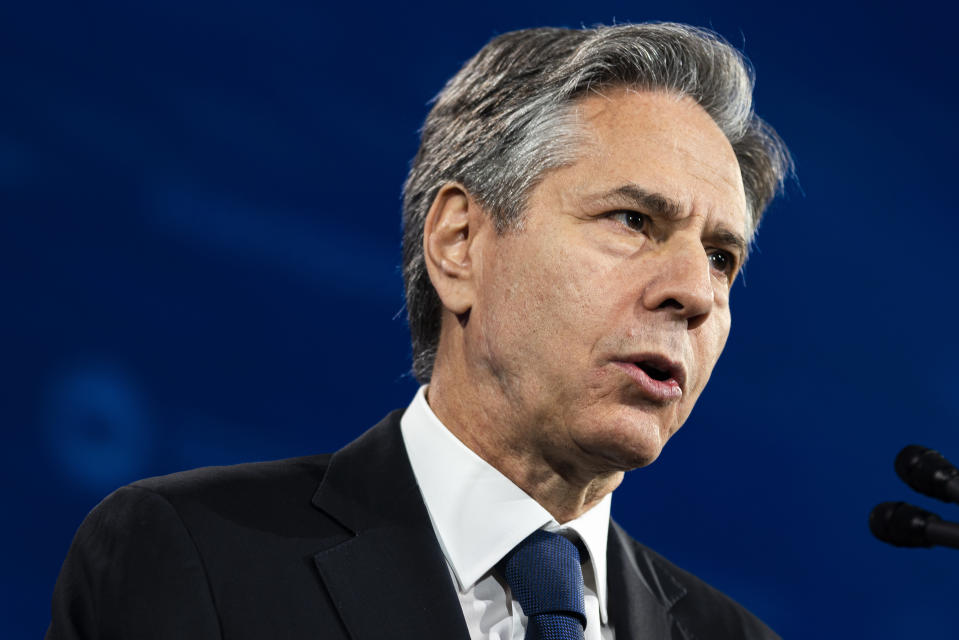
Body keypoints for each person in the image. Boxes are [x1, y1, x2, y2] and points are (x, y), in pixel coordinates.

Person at [48, 22, 791, 640]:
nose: (694, 292)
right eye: (633, 221)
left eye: (721, 258)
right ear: (459, 243)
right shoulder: (194, 555)